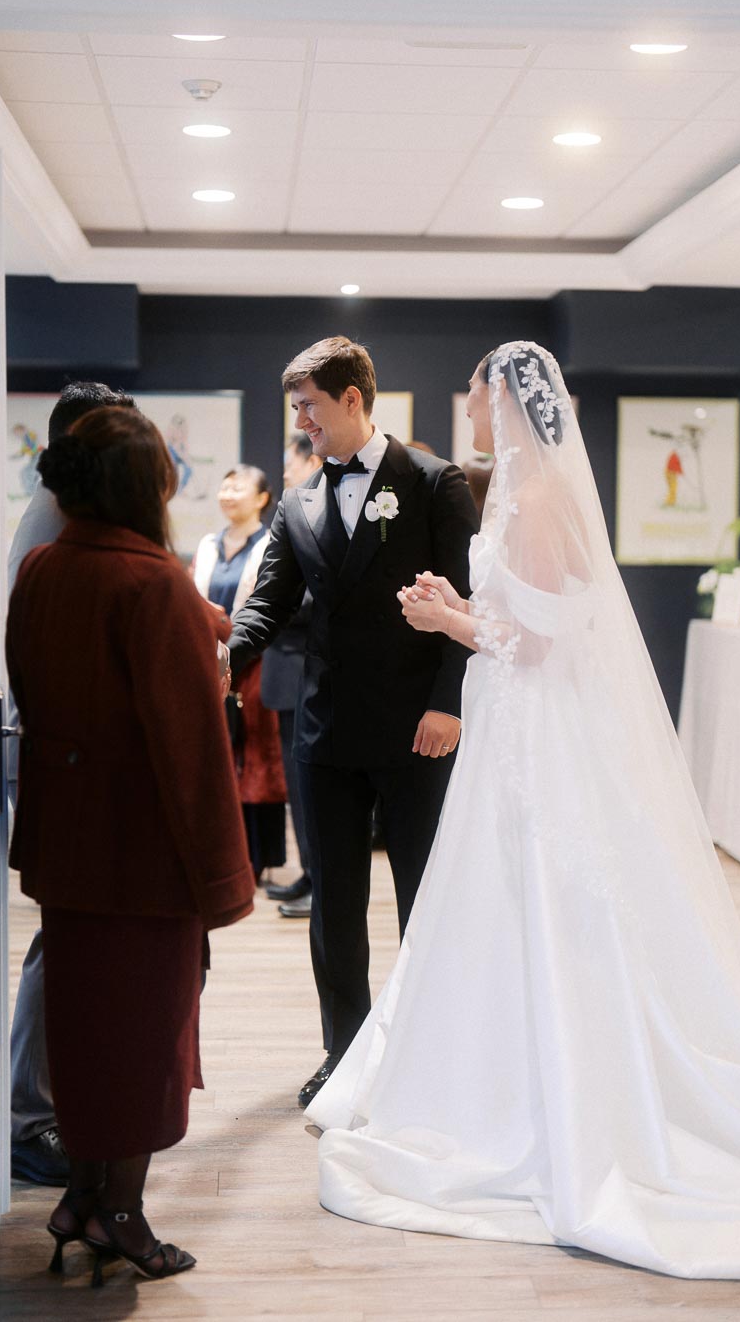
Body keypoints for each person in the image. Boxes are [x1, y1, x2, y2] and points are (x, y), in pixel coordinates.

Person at [307, 341, 740, 1282]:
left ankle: (530, 1089)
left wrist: (450, 623)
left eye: (472, 391)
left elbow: (536, 645)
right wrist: (462, 605)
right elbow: (537, 617)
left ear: (500, 398)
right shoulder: (524, 493)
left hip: (534, 730)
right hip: (521, 726)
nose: (465, 405)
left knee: (532, 891)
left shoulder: (537, 499)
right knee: (498, 898)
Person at [7, 406, 254, 1284]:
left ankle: (80, 1195)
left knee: (84, 1031)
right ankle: (122, 1214)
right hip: (146, 857)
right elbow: (191, 752)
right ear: (142, 488)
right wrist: (226, 882)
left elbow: (33, 693)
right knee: (147, 1038)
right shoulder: (151, 586)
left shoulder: (43, 569)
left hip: (67, 842)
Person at [228, 337, 479, 1107]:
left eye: (309, 405)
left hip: (417, 729)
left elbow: (467, 601)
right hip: (325, 734)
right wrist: (220, 662)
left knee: (422, 899)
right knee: (334, 904)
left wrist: (448, 702)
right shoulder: (298, 500)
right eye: (295, 407)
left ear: (352, 399)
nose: (301, 421)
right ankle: (346, 1053)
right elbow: (268, 600)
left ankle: (434, 1051)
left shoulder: (435, 484)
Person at [8, 380, 135, 1188]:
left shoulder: (51, 512)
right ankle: (30, 1117)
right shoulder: (58, 526)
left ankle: (47, 1104)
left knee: (70, 939)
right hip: (67, 758)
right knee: (63, 940)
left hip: (65, 755)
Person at [193, 466, 287, 881]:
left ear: (263, 498)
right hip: (207, 659)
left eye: (239, 487)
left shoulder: (269, 543)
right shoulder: (208, 545)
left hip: (253, 662)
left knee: (259, 760)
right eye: (225, 485)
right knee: (220, 758)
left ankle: (260, 859)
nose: (228, 493)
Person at [261, 433, 322, 919]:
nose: (285, 473)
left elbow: (307, 598)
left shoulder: (321, 516)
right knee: (296, 787)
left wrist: (267, 606)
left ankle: (318, 880)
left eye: (291, 464)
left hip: (306, 665)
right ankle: (308, 871)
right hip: (284, 669)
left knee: (309, 784)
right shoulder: (295, 512)